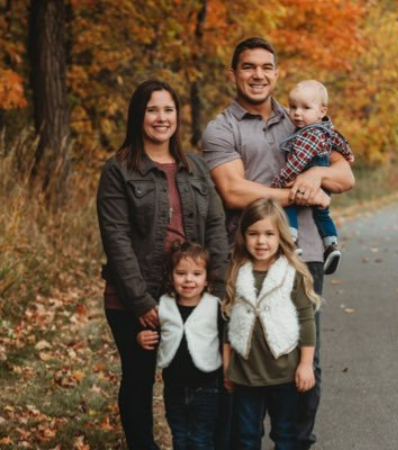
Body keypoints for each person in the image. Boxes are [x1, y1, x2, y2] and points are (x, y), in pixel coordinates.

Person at [202, 37, 354, 450]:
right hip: (248, 260)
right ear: (233, 74)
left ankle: (295, 442)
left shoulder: (301, 116)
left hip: (305, 257)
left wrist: (317, 177)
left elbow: (345, 176)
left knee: (305, 357)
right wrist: (300, 192)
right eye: (248, 67)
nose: (258, 75)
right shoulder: (221, 129)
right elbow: (234, 192)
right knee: (248, 353)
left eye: (266, 67)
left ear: (276, 72)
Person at [97, 80, 228, 450]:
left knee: (200, 379)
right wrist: (141, 302)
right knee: (139, 381)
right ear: (138, 116)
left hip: (192, 294)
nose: (161, 118)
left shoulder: (196, 168)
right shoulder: (118, 170)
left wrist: (214, 290)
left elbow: (216, 227)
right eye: (152, 110)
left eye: (168, 109)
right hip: (133, 298)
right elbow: (116, 237)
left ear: (178, 116)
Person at [222, 197, 320, 449]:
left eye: (269, 234)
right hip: (246, 376)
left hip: (284, 374)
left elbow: (306, 319)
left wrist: (306, 365)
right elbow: (229, 322)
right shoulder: (236, 271)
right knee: (245, 438)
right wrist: (226, 367)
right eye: (253, 234)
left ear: (281, 236)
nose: (261, 241)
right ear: (243, 236)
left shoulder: (291, 273)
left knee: (286, 435)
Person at [137, 242, 223, 450]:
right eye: (181, 273)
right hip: (174, 387)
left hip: (207, 387)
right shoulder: (164, 304)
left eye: (196, 274)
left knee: (201, 439)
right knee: (180, 437)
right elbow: (158, 332)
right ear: (171, 276)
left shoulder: (214, 306)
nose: (188, 280)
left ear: (206, 279)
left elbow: (226, 339)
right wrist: (141, 336)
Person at [271, 79, 354, 275]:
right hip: (322, 186)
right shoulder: (326, 130)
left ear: (321, 111)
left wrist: (280, 182)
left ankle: (291, 241)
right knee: (322, 213)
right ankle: (331, 244)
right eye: (293, 107)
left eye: (305, 108)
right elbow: (341, 142)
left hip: (305, 182)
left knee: (289, 205)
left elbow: (297, 162)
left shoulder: (308, 135)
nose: (297, 113)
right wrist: (349, 155)